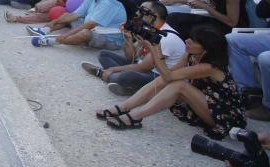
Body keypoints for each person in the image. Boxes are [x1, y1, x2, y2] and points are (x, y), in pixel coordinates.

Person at [97, 26, 246, 139]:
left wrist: (153, 49)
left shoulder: (209, 67)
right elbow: (167, 75)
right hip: (206, 103)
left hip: (223, 115)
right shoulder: (191, 55)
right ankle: (123, 108)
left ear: (206, 49)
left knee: (179, 85)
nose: (187, 40)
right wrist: (155, 50)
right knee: (165, 80)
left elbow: (169, 76)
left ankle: (136, 116)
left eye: (193, 40)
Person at [81, 0, 186, 96]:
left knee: (127, 76)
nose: (137, 14)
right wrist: (128, 40)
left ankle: (104, 74)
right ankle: (125, 83)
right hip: (143, 67)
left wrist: (113, 69)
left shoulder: (165, 38)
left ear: (153, 16)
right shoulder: (150, 29)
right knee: (104, 55)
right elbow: (132, 57)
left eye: (142, 12)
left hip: (158, 75)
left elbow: (144, 68)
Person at [29, 0, 127, 48]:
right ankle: (44, 30)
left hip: (110, 38)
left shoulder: (110, 1)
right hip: (93, 28)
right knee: (70, 17)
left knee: (85, 33)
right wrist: (52, 23)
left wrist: (67, 35)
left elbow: (90, 25)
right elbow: (74, 15)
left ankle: (53, 41)